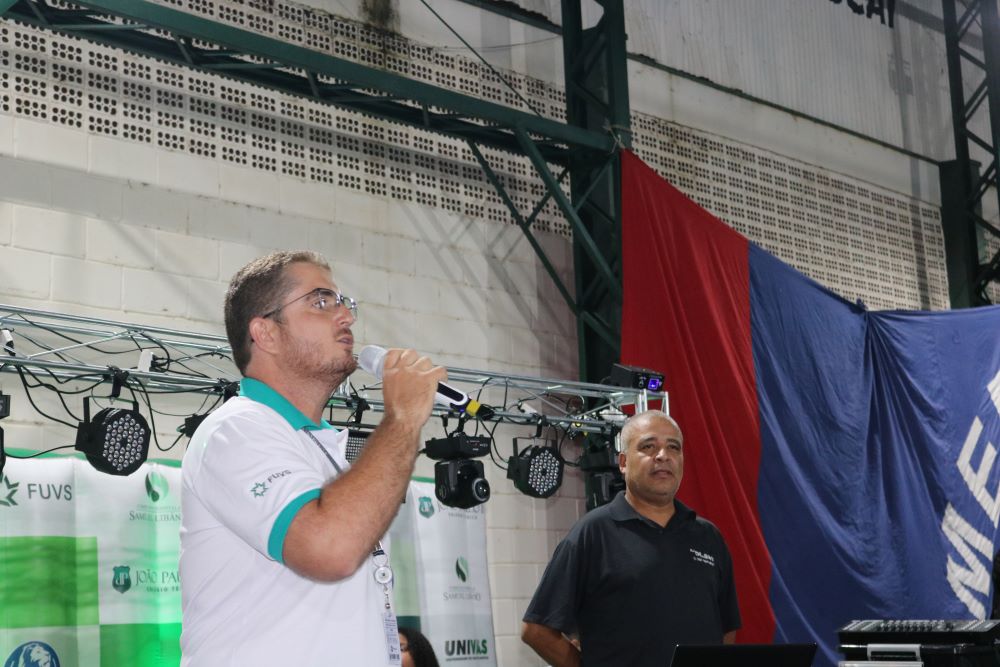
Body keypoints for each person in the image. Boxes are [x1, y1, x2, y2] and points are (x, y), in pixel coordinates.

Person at [179, 251, 444, 666]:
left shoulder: (324, 446)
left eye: (343, 303)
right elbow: (330, 549)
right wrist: (403, 417)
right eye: (320, 302)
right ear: (266, 333)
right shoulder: (236, 430)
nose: (346, 317)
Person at [521, 410, 741, 667]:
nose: (663, 455)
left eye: (673, 447)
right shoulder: (592, 533)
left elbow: (726, 628)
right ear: (623, 463)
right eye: (648, 446)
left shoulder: (708, 537)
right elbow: (536, 630)